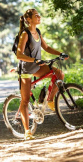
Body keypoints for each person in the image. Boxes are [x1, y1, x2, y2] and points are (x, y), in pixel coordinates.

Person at [16, 9, 68, 140]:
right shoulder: (25, 34)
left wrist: (60, 54)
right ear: (29, 19)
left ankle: (50, 100)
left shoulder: (37, 32)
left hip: (37, 66)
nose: (39, 17)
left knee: (59, 74)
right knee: (25, 100)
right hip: (27, 69)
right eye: (36, 15)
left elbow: (47, 48)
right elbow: (19, 54)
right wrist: (34, 60)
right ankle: (27, 131)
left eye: (39, 14)